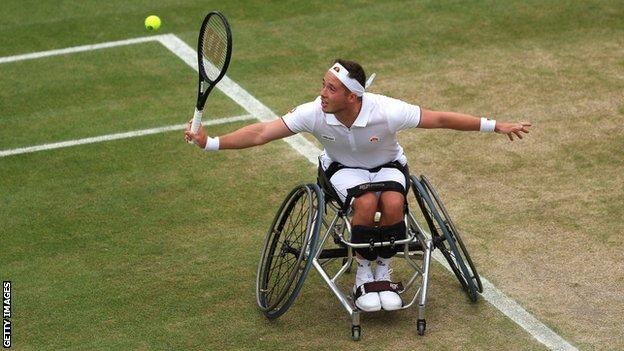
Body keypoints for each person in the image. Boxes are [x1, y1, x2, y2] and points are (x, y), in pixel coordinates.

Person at [185, 59, 531, 312]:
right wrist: (210, 142)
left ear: (353, 97)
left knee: (394, 203)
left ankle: (384, 266)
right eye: (323, 84)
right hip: (341, 170)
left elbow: (439, 118)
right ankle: (365, 271)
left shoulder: (387, 110)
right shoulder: (313, 112)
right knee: (365, 205)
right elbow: (262, 132)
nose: (322, 93)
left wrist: (495, 125)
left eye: (331, 89)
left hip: (388, 166)